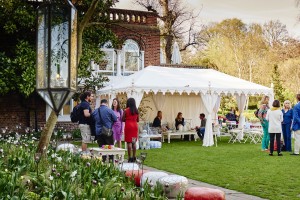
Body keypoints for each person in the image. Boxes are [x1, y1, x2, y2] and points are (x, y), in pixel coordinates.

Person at [122, 98, 139, 162]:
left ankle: (129, 157)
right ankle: (134, 156)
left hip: (128, 126)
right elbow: (138, 120)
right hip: (134, 126)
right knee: (134, 142)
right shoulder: (136, 110)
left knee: (129, 142)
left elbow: (122, 119)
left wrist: (127, 118)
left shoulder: (126, 110)